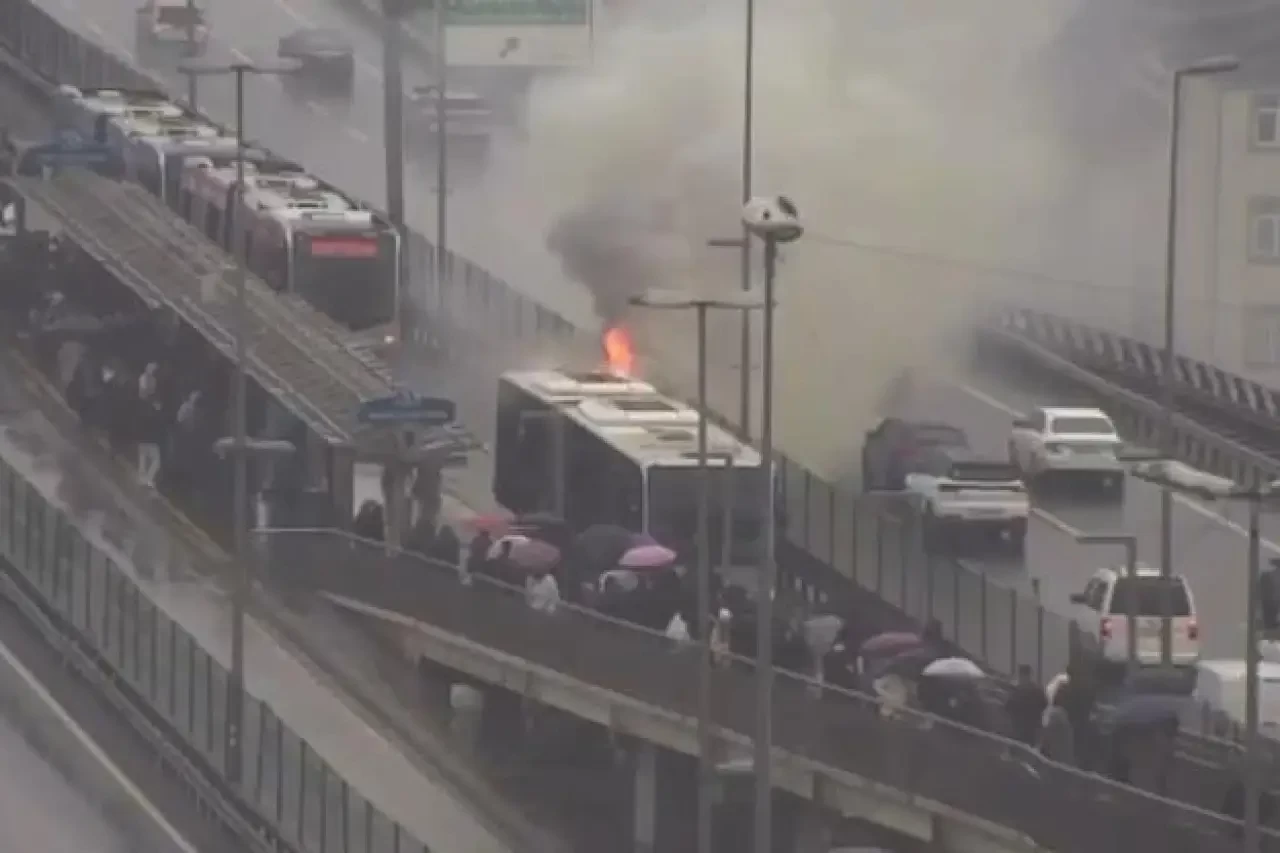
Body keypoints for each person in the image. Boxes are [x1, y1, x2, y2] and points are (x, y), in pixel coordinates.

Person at [1006, 664, 1048, 745]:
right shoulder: (1038, 690)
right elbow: (1045, 705)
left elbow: (1007, 707)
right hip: (1033, 730)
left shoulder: (1016, 691)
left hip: (1018, 730)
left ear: (1020, 675)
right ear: (1030, 675)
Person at [135, 362, 162, 487]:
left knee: (143, 454)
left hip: (143, 431)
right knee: (153, 458)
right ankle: (147, 478)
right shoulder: (150, 403)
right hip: (147, 433)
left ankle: (143, 478)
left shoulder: (145, 401)